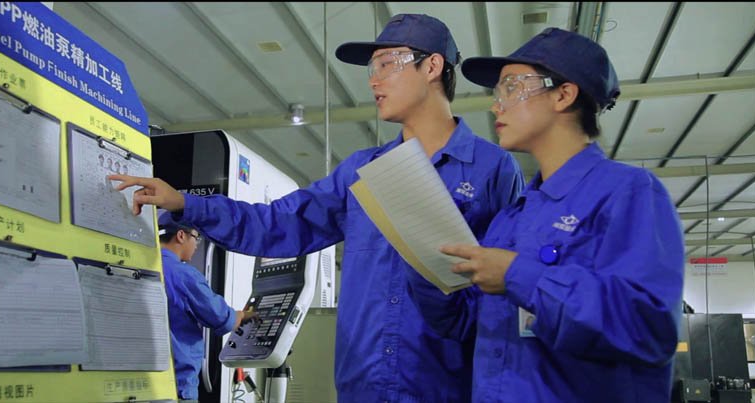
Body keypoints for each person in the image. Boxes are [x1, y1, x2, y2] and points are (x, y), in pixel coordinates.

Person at [111, 14, 523, 403]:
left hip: (447, 385)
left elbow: (506, 294)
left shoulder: (492, 169)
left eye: (387, 63)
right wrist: (185, 203)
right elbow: (277, 223)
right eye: (372, 68)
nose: (374, 79)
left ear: (432, 66)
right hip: (363, 384)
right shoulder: (361, 173)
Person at [405, 28, 685, 402]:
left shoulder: (627, 193)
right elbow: (467, 325)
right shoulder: (510, 220)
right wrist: (425, 266)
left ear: (563, 95)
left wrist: (517, 275)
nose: (496, 106)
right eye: (498, 93)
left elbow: (648, 328)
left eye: (511, 88)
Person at [157, 211, 257, 401]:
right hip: (176, 387)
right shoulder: (183, 274)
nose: (196, 246)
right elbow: (219, 316)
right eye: (196, 238)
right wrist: (243, 316)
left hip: (145, 382)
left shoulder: (143, 265)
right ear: (181, 236)